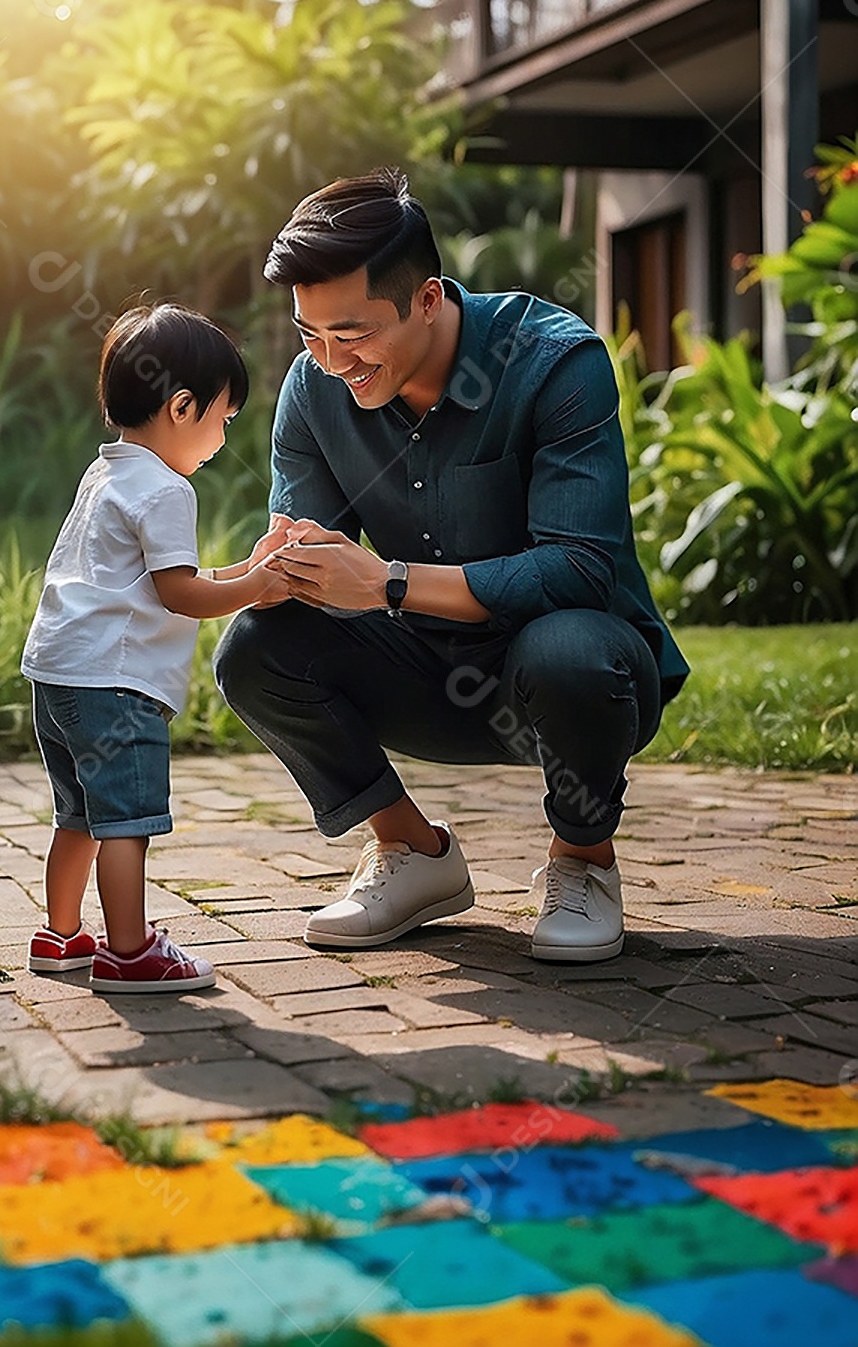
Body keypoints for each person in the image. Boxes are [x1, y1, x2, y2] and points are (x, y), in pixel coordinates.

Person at [214, 168, 689, 964]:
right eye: (310, 335)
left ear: (427, 299)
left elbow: (580, 570)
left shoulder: (555, 363)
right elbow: (311, 562)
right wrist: (259, 573)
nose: (331, 361)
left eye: (353, 334)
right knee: (257, 645)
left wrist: (388, 582)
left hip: (568, 682)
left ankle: (583, 863)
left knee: (571, 647)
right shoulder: (313, 386)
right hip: (419, 675)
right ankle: (413, 855)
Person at [21, 304, 290, 992]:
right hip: (116, 686)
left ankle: (60, 937)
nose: (223, 438)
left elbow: (168, 582)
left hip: (59, 677)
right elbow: (179, 595)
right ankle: (131, 951)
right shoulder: (169, 490)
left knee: (77, 815)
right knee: (125, 824)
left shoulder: (106, 474)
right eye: (223, 420)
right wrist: (259, 587)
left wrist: (241, 572)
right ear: (181, 406)